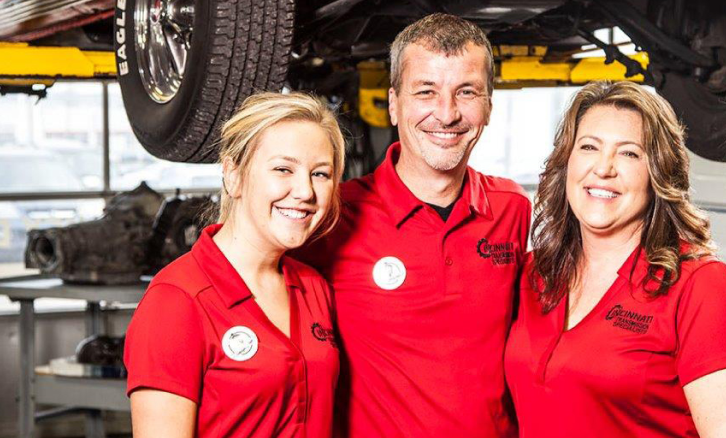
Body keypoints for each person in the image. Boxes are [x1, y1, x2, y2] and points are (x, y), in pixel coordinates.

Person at [294, 13, 531, 438]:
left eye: (467, 92)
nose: (447, 113)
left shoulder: (512, 209)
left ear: (489, 107)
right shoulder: (334, 216)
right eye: (426, 92)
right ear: (393, 103)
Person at [504, 81, 726, 437]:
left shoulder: (702, 288)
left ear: (658, 173)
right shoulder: (536, 274)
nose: (604, 168)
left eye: (629, 153)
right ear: (566, 162)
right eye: (588, 147)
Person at [124, 92, 346, 438]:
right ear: (233, 173)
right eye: (283, 169)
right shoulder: (177, 300)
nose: (305, 191)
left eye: (320, 174)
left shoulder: (312, 287)